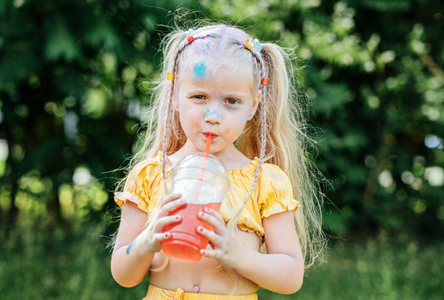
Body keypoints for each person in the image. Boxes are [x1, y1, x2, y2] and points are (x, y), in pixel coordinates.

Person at [111, 23, 324, 299]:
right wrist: (147, 242)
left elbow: (291, 276)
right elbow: (122, 275)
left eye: (231, 101)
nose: (213, 115)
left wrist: (237, 255)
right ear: (175, 96)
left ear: (254, 105)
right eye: (199, 97)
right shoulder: (151, 175)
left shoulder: (264, 181)